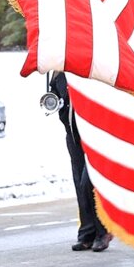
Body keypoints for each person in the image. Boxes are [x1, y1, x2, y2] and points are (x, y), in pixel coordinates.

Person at [49, 71, 113, 253]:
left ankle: (104, 231)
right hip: (74, 133)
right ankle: (87, 233)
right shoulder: (59, 72)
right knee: (79, 182)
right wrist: (61, 113)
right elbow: (55, 95)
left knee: (89, 182)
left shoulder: (93, 66)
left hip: (97, 132)